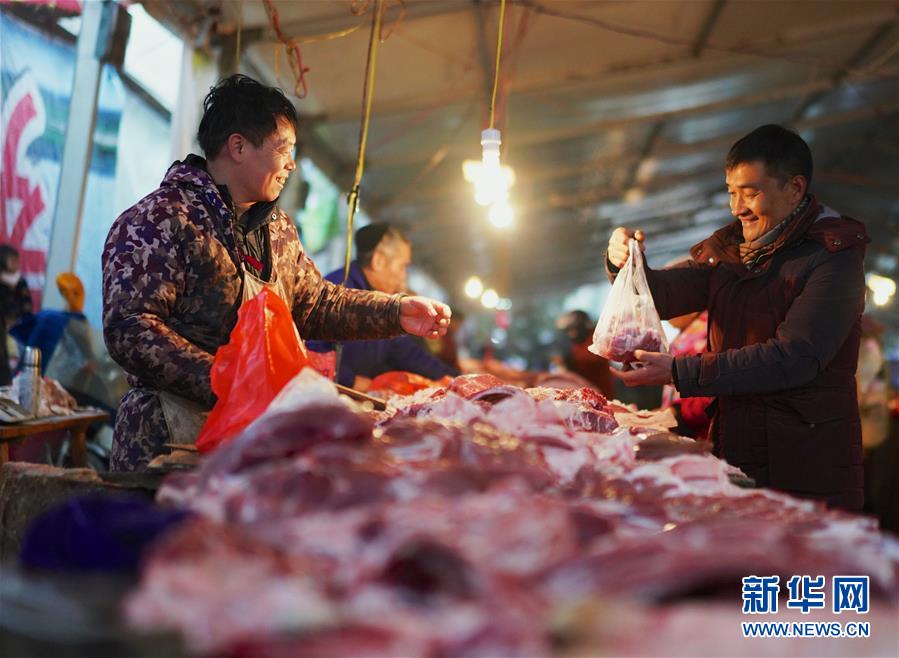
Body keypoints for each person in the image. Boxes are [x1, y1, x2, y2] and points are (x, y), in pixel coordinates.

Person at [102, 75, 451, 471]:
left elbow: (317, 304)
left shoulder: (277, 229)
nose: (292, 163)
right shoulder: (160, 218)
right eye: (284, 148)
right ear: (238, 146)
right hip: (167, 437)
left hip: (250, 440)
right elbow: (131, 327)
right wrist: (229, 379)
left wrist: (395, 311)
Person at [606, 124, 868, 510]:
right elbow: (659, 295)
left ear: (795, 188)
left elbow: (794, 357)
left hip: (806, 465)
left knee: (798, 550)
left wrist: (680, 372)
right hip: (737, 452)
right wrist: (625, 262)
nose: (737, 208)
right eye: (732, 192)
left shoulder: (834, 258)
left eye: (751, 192)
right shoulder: (730, 253)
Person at [307, 223, 460, 389]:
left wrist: (457, 379)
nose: (404, 276)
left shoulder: (384, 305)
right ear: (378, 261)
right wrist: (351, 381)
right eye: (402, 266)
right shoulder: (336, 288)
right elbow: (310, 349)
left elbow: (405, 352)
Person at [660, 309, 713, 440]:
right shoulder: (688, 333)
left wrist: (677, 413)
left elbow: (710, 392)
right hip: (683, 423)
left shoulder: (708, 333)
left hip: (698, 432)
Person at [555, 310, 613, 398]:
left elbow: (590, 359)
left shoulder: (596, 337)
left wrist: (567, 359)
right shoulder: (573, 343)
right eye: (569, 329)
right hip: (581, 392)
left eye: (575, 328)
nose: (572, 333)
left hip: (601, 391)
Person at [0, 245, 33, 386]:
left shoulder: (21, 283)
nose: (16, 265)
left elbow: (27, 308)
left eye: (17, 261)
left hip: (17, 333)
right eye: (12, 261)